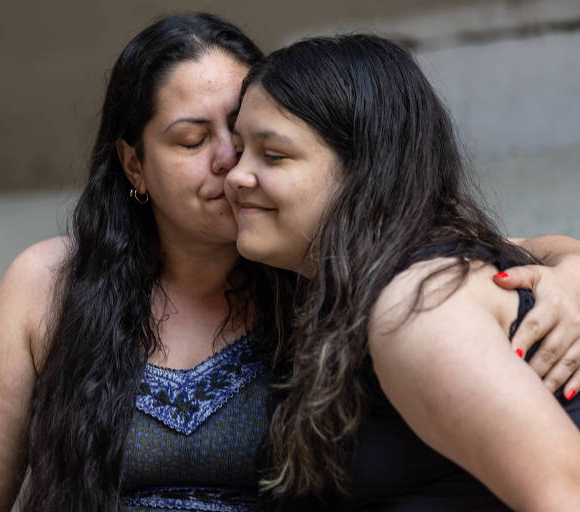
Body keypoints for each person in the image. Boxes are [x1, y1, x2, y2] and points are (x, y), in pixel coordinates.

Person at [0, 14, 580, 512]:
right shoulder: (50, 284)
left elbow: (485, 258)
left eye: (252, 141)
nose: (230, 166)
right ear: (135, 166)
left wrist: (572, 273)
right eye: (193, 139)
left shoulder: (330, 273)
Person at [225, 34, 580, 510]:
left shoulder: (419, 306)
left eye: (273, 155)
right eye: (239, 149)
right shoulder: (404, 267)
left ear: (364, 171)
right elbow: (529, 247)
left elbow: (565, 496)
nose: (235, 176)